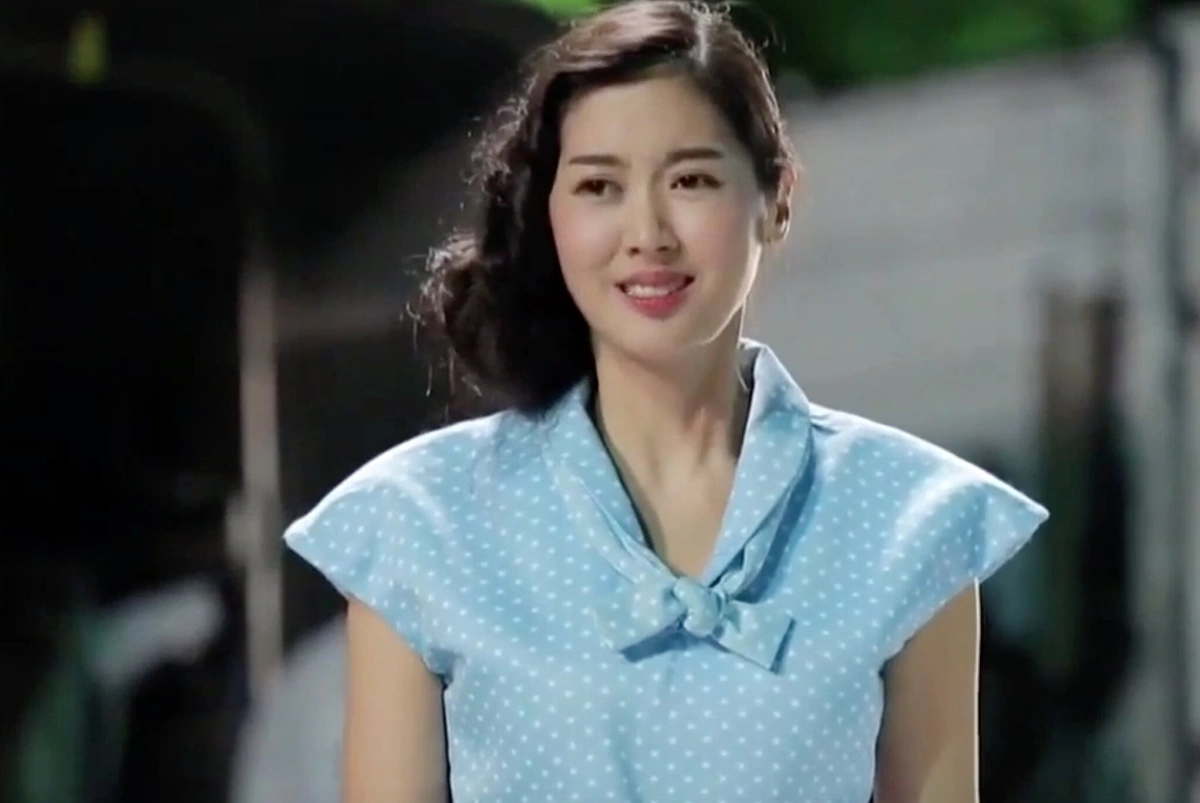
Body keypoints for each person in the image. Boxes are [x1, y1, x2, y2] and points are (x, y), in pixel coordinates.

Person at [283, 1, 1050, 801]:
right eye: (599, 186)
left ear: (776, 199)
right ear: (548, 215)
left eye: (690, 180)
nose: (647, 232)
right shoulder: (419, 521)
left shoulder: (911, 519)